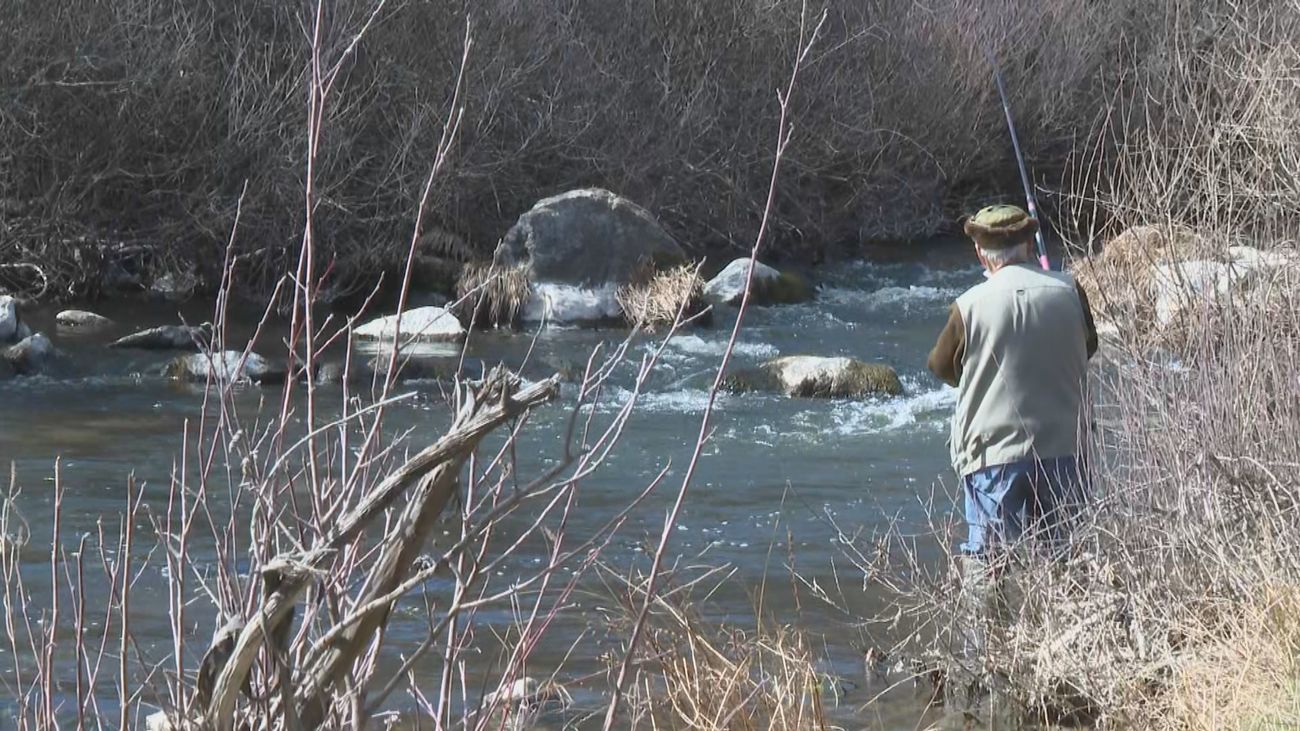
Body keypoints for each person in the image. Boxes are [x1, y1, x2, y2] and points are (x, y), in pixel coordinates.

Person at [926, 204, 1098, 709]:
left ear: (981, 251)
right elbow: (1087, 346)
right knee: (1065, 558)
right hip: (1064, 446)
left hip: (992, 457)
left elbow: (942, 368)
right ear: (1027, 245)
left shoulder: (970, 304)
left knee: (989, 564)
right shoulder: (1069, 290)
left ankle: (990, 671)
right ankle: (1071, 661)